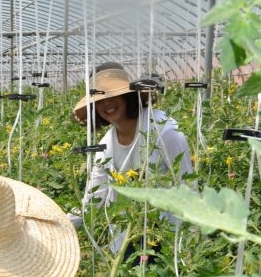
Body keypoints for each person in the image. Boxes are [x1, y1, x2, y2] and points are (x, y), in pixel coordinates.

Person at [71, 63, 193, 252]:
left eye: (112, 95)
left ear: (128, 94)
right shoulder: (106, 145)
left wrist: (190, 245)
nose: (106, 104)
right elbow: (94, 199)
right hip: (127, 236)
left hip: (167, 238)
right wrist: (60, 222)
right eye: (99, 99)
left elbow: (188, 187)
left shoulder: (164, 132)